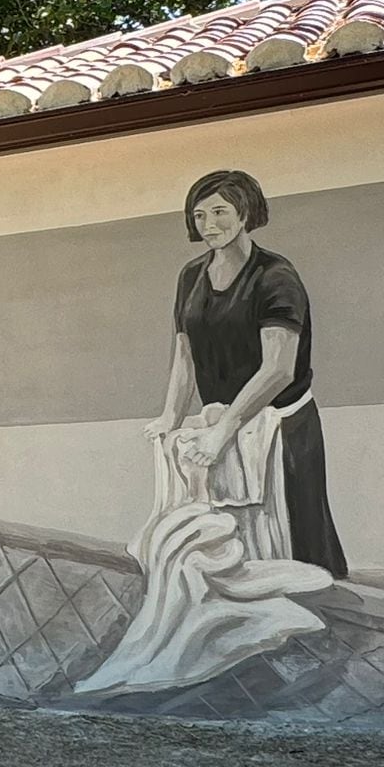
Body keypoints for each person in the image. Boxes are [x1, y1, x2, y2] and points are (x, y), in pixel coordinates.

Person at [141, 169, 347, 577]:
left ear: (245, 213)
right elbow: (184, 355)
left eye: (219, 212)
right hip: (220, 425)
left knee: (292, 545)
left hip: (281, 429)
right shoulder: (191, 276)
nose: (209, 224)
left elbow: (278, 369)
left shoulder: (275, 277)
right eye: (199, 215)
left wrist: (224, 430)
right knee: (224, 543)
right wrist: (171, 417)